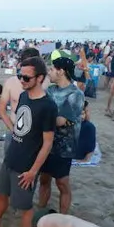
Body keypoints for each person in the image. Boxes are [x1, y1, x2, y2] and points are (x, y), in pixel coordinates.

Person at [0, 57, 57, 227]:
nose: (21, 80)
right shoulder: (24, 96)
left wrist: (33, 171)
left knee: (25, 208)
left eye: (26, 77)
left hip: (26, 166)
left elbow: (47, 143)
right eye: (19, 75)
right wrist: (13, 130)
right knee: (1, 193)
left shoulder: (48, 106)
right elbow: (18, 123)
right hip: (11, 156)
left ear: (40, 78)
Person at [38, 57, 85, 215]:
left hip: (65, 145)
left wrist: (41, 116)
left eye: (52, 69)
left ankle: (63, 216)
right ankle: (42, 211)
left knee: (62, 182)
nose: (49, 72)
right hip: (46, 143)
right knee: (44, 179)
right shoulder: (50, 90)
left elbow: (61, 121)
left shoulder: (75, 94)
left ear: (61, 71)